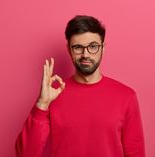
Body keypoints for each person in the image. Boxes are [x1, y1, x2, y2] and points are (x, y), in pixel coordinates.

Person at [15, 15, 145, 157]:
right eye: (78, 47)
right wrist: (42, 104)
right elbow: (26, 154)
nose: (85, 54)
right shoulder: (53, 95)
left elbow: (135, 153)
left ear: (103, 48)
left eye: (93, 46)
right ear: (69, 50)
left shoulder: (126, 96)